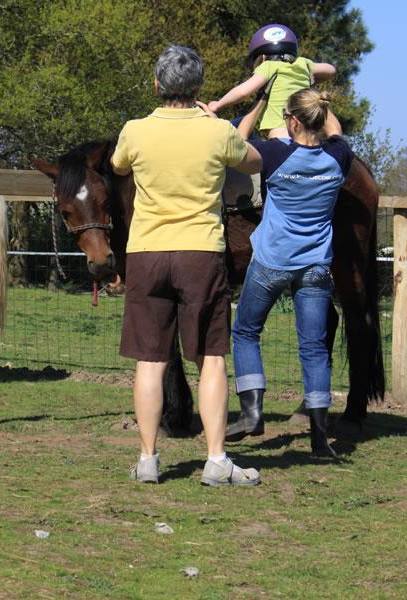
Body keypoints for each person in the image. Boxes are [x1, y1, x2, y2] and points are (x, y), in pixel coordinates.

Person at [111, 45, 263, 486]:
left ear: (157, 85)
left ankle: (147, 459)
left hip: (147, 253)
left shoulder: (135, 130)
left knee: (149, 359)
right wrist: (217, 122)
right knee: (211, 358)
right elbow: (253, 160)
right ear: (198, 88)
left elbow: (119, 164)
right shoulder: (216, 132)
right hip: (201, 253)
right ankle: (216, 461)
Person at [226, 89, 351, 457]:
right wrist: (321, 104)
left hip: (271, 264)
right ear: (319, 116)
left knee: (246, 332)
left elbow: (235, 146)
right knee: (313, 348)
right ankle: (318, 437)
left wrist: (259, 104)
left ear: (293, 121)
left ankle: (252, 412)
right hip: (315, 266)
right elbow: (336, 130)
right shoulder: (339, 157)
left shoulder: (275, 154)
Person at [208, 24, 336, 139]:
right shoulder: (303, 63)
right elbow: (331, 70)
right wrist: (311, 76)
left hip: (282, 134)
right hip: (306, 135)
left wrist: (218, 104)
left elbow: (243, 91)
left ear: (262, 57)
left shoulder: (268, 66)